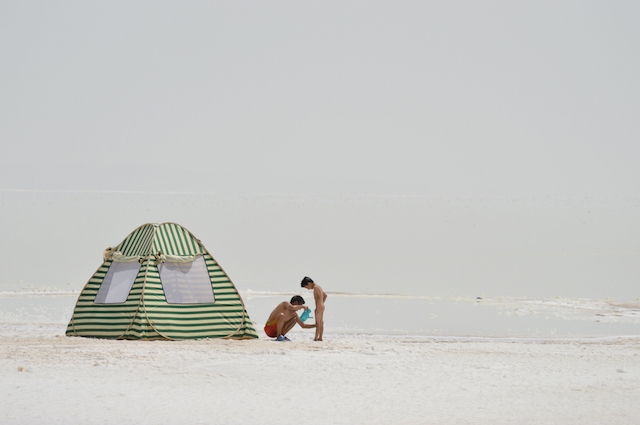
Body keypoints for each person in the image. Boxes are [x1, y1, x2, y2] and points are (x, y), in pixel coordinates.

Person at [301, 276, 327, 341]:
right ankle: (320, 337)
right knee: (321, 322)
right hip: (322, 306)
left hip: (319, 306)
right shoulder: (319, 286)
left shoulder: (315, 288)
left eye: (307, 287)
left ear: (309, 283)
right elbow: (325, 295)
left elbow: (318, 299)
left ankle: (316, 338)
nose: (308, 289)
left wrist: (317, 307)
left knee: (318, 323)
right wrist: (322, 303)